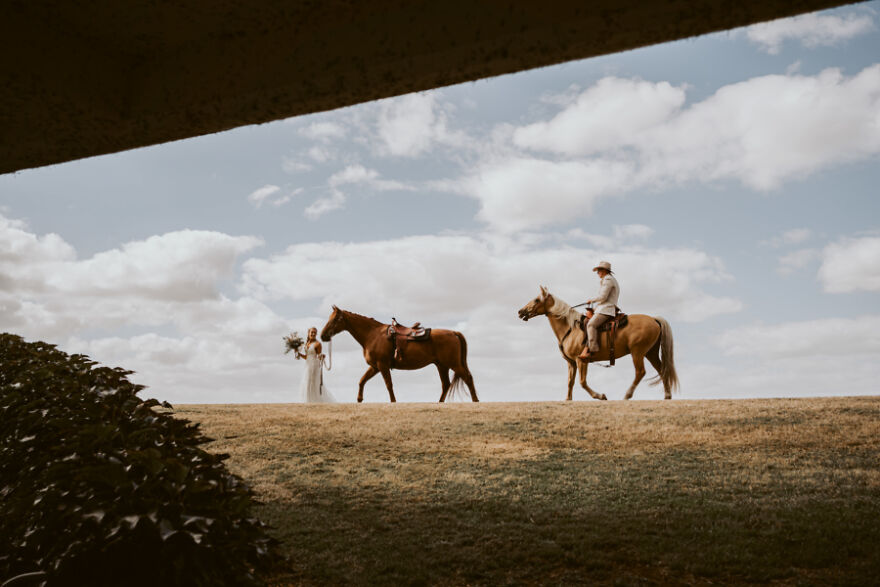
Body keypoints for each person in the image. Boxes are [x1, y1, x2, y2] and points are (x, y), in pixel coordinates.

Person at [578, 261, 620, 360]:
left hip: (606, 310)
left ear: (605, 271)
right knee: (586, 320)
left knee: (591, 324)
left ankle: (592, 349)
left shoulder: (608, 280)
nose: (597, 273)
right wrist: (594, 308)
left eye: (599, 270)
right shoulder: (608, 279)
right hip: (603, 308)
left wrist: (591, 300)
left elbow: (603, 297)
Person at [297, 327, 335, 403]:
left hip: (314, 365)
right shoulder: (306, 343)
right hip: (307, 365)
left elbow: (318, 356)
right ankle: (307, 401)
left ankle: (314, 401)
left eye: (315, 332)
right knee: (306, 381)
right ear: (308, 333)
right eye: (312, 332)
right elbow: (307, 357)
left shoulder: (318, 344)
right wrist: (299, 354)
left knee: (312, 382)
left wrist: (322, 357)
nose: (313, 334)